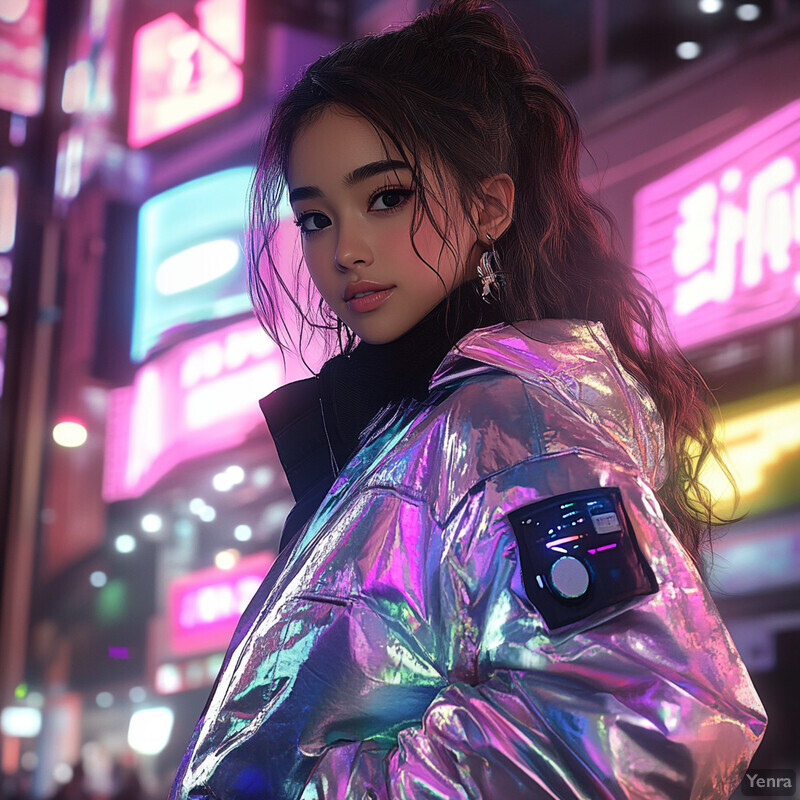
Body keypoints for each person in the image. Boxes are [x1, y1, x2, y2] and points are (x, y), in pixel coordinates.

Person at [170, 1, 766, 797]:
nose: (344, 250)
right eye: (315, 217)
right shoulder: (416, 427)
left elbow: (649, 724)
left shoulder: (510, 426)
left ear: (489, 207)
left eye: (386, 198)